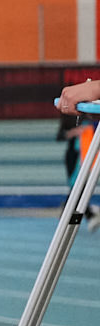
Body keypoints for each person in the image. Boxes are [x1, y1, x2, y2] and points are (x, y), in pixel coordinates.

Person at [61, 77, 100, 230]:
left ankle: (79, 216)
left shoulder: (88, 113)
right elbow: (61, 135)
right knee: (75, 187)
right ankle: (71, 216)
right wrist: (77, 131)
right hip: (73, 155)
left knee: (79, 187)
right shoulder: (68, 114)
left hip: (86, 153)